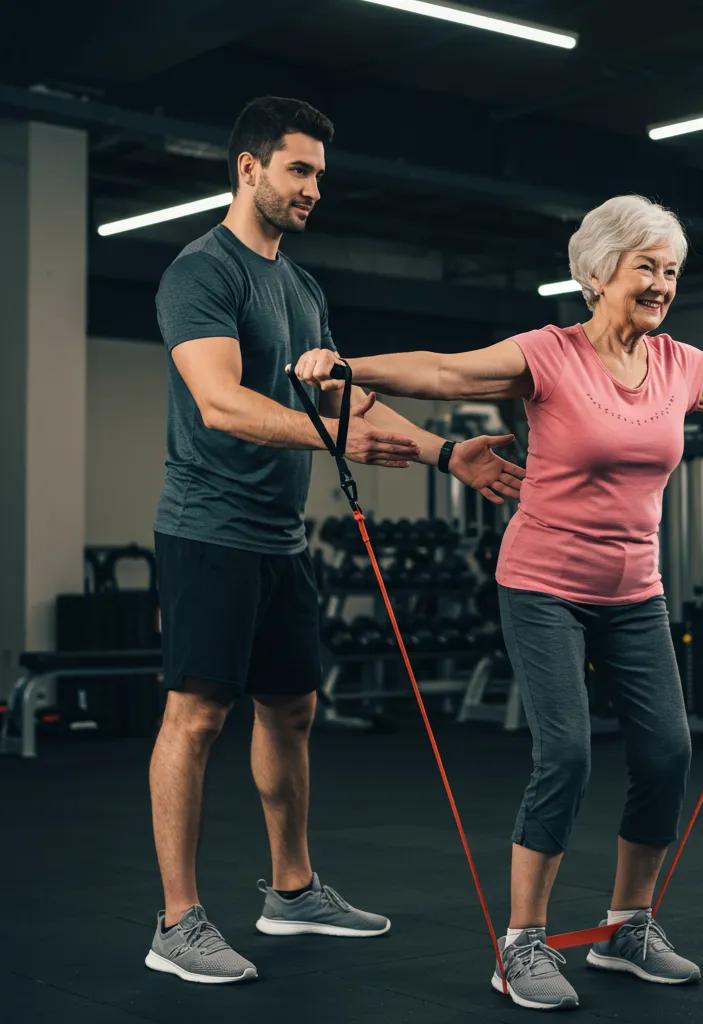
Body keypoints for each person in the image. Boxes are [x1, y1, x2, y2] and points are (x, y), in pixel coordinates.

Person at [292, 194, 703, 1010]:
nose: (662, 285)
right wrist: (348, 368)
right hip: (542, 586)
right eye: (646, 267)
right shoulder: (548, 356)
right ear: (597, 273)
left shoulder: (678, 365)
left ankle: (628, 927)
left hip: (635, 593)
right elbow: (445, 371)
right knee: (567, 754)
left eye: (672, 271)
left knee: (666, 753)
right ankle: (522, 943)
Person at [146, 95, 525, 985]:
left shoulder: (301, 288)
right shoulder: (201, 273)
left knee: (292, 710)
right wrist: (336, 438)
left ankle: (292, 891)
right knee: (196, 716)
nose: (315, 188)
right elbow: (221, 403)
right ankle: (177, 921)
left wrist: (446, 454)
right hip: (207, 530)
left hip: (280, 539)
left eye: (320, 173)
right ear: (249, 168)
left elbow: (341, 400)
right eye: (299, 170)